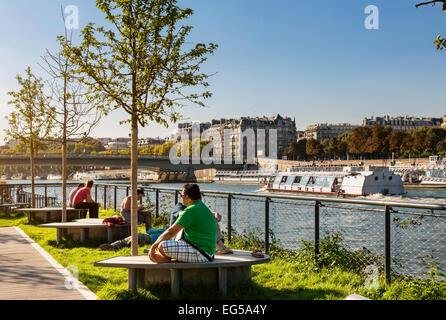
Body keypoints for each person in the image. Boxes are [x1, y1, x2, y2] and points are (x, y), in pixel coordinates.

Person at [148, 184, 217, 264]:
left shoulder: (191, 210)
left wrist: (153, 246)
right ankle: (169, 258)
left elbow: (171, 231)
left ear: (187, 197)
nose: (181, 198)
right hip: (207, 253)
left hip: (200, 254)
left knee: (162, 246)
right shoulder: (202, 207)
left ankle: (167, 261)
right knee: (171, 239)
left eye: (181, 195)